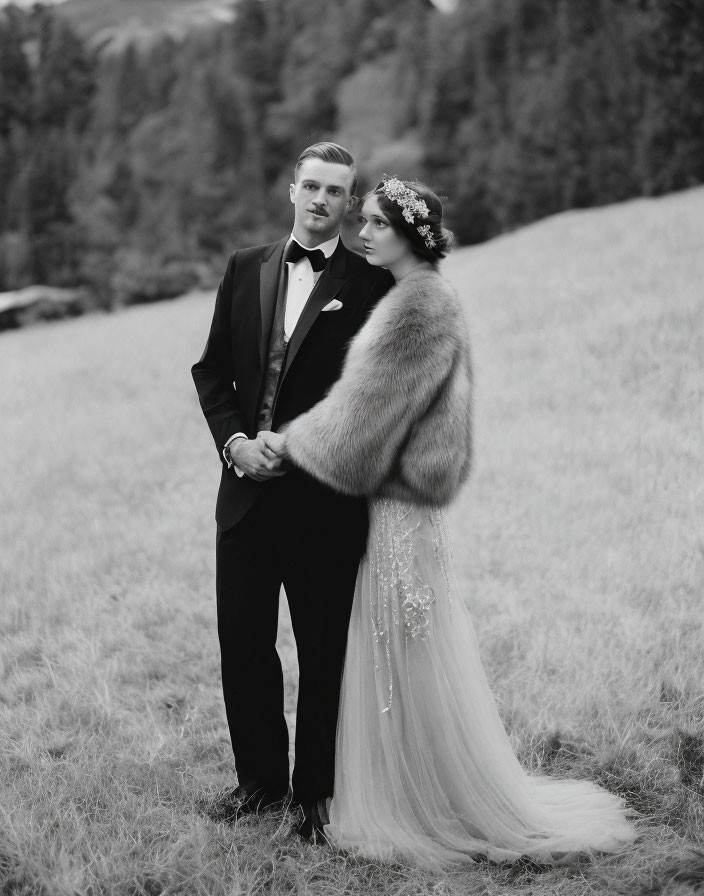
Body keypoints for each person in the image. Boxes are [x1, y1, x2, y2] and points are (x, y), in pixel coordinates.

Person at [265, 178, 637, 867]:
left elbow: (365, 412)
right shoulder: (414, 296)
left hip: (398, 507)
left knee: (399, 648)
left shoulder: (420, 305)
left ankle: (417, 798)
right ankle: (403, 783)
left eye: (376, 223)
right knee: (398, 649)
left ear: (409, 234)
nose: (363, 232)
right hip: (398, 502)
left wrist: (287, 442)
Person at [191, 143, 393, 841]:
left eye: (335, 192)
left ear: (348, 202)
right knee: (243, 643)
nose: (319, 200)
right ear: (291, 190)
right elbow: (213, 373)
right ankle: (260, 785)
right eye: (311, 186)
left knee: (323, 652)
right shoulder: (245, 267)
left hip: (322, 506)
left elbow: (372, 401)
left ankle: (316, 798)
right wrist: (235, 445)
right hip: (244, 498)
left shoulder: (371, 285)